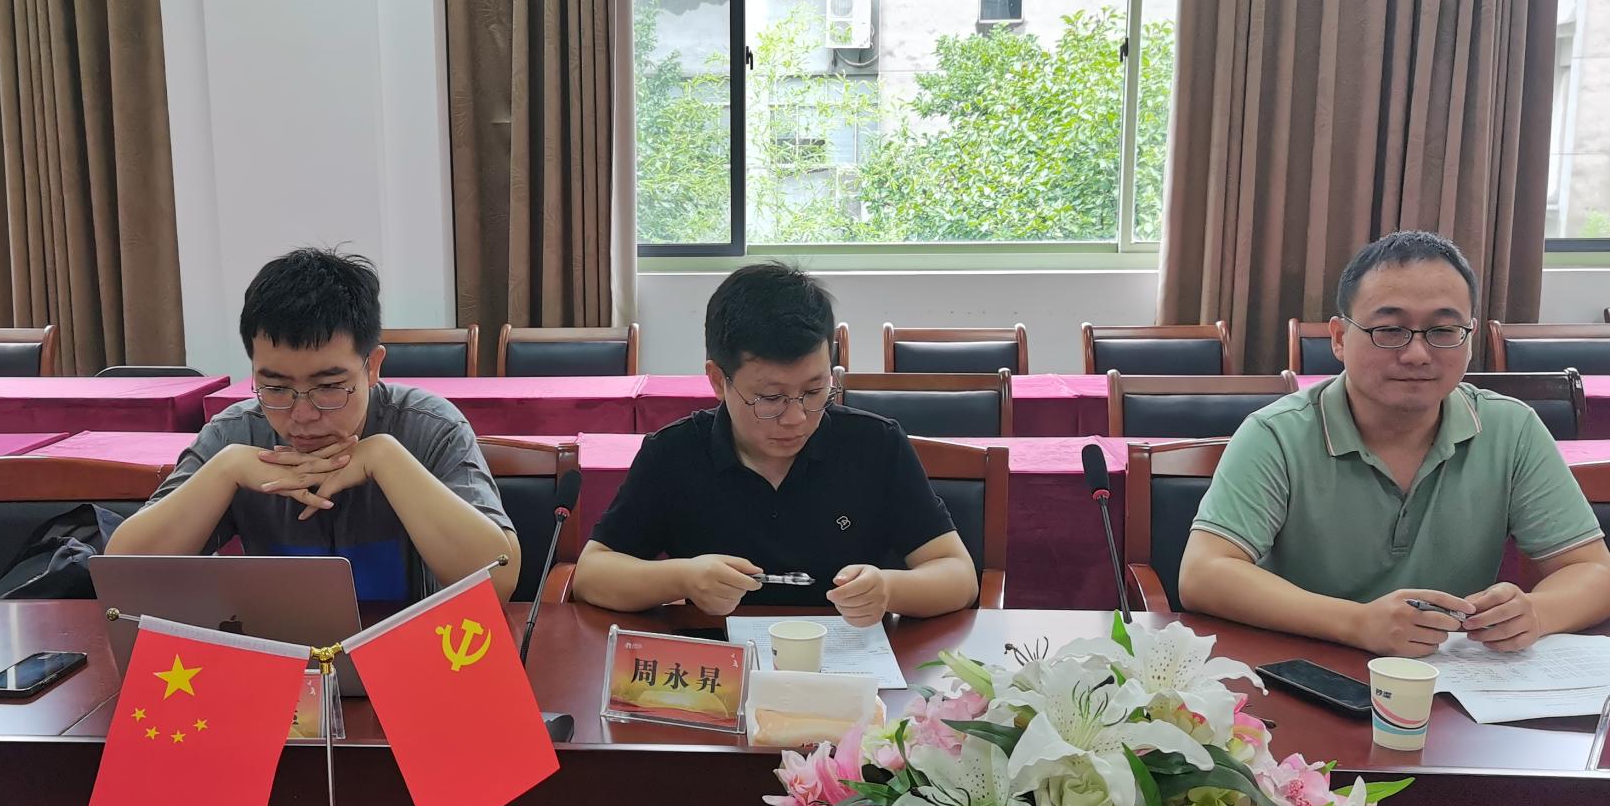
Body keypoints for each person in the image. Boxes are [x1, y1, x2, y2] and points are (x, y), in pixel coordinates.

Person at [1177, 231, 1610, 656]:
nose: (1417, 355)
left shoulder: (1511, 429)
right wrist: (1357, 623)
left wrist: (1535, 613)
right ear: (1339, 338)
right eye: (1390, 330)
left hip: (1452, 678)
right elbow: (1203, 572)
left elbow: (1594, 573)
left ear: (1469, 338)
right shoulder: (1277, 433)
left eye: (1443, 331)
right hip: (1307, 667)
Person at [572, 261, 979, 626]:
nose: (796, 417)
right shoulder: (674, 453)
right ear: (717, 380)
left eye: (815, 391)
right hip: (722, 665)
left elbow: (958, 575)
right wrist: (682, 578)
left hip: (849, 662)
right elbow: (592, 575)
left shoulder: (875, 445)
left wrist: (888, 589)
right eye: (770, 398)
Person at [107, 248, 520, 600]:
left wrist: (386, 458)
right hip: (279, 654)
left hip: (409, 651)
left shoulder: (428, 426)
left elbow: (498, 580)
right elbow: (122, 579)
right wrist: (226, 470)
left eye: (329, 387)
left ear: (372, 367)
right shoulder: (235, 434)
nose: (302, 416)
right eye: (275, 387)